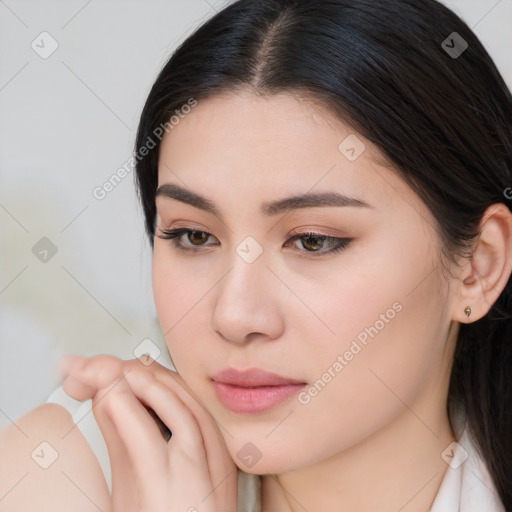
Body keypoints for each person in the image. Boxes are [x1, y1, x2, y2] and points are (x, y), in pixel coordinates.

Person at [1, 0, 511, 510]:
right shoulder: (64, 474)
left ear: (478, 267)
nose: (235, 316)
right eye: (194, 236)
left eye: (313, 240)